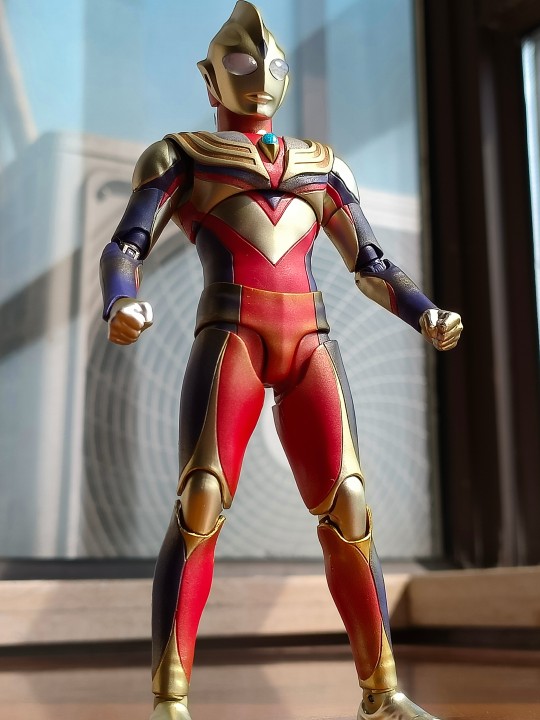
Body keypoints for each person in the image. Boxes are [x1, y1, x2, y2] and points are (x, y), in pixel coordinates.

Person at [100, 3, 462, 718]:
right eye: (239, 63)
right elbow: (127, 246)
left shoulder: (322, 165)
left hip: (309, 340)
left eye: (271, 64)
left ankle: (382, 693)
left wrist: (424, 311)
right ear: (210, 78)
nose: (258, 76)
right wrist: (120, 301)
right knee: (200, 502)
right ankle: (170, 700)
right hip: (232, 333)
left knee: (349, 506)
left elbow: (370, 263)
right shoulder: (182, 155)